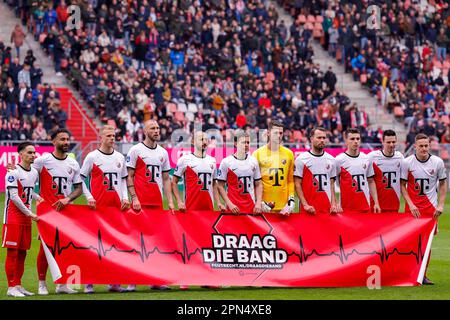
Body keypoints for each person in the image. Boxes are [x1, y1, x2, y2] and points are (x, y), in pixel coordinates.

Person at [80, 125, 130, 294]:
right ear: (100, 138)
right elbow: (80, 179)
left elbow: (123, 179)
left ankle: (114, 282)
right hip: (97, 209)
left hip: (116, 208)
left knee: (115, 246)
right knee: (94, 246)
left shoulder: (119, 157)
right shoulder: (92, 157)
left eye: (114, 135)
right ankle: (89, 283)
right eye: (108, 135)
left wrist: (125, 197)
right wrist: (89, 197)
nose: (112, 138)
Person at [32, 128, 83, 295]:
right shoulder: (43, 161)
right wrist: (36, 197)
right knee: (45, 248)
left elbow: (78, 189)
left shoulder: (73, 163)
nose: (66, 142)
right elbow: (25, 177)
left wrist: (67, 199)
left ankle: (63, 285)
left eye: (67, 139)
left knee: (66, 248)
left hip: (66, 212)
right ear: (53, 141)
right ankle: (42, 284)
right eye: (62, 139)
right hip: (47, 212)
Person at [126, 119, 174, 292]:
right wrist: (134, 198)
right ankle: (132, 280)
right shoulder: (135, 150)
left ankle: (155, 279)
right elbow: (129, 175)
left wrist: (169, 201)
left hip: (156, 203)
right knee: (137, 242)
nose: (156, 130)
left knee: (156, 244)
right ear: (145, 131)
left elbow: (166, 178)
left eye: (158, 128)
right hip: (141, 204)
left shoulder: (162, 152)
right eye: (152, 128)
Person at [172, 130, 217, 290]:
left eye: (206, 139)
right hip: (190, 208)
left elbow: (214, 185)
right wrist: (179, 201)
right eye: (201, 139)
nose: (204, 141)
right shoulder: (185, 160)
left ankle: (207, 278)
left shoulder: (212, 160)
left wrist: (218, 203)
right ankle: (186, 278)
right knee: (189, 245)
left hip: (208, 209)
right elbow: (173, 182)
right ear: (193, 142)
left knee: (207, 244)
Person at [400, 133, 447, 285]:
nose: (424, 148)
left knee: (426, 244)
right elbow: (402, 185)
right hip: (412, 210)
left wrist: (440, 204)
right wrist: (411, 204)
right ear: (415, 146)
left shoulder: (437, 162)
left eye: (426, 145)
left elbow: (442, 184)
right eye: (421, 146)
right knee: (411, 243)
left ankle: (422, 275)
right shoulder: (407, 163)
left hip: (430, 210)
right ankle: (408, 273)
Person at [2, 142, 41, 297]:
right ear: (21, 154)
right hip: (13, 217)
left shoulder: (34, 172)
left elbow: (28, 193)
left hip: (25, 217)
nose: (33, 155)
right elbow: (14, 197)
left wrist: (40, 199)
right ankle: (11, 287)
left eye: (34, 153)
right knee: (13, 252)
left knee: (23, 253)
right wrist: (30, 213)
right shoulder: (12, 172)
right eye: (29, 152)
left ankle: (18, 285)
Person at [252, 120, 295, 215]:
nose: (279, 136)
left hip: (284, 208)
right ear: (268, 133)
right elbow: (254, 182)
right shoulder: (257, 154)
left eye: (281, 133)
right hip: (264, 207)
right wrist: (259, 202)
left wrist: (291, 198)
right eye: (276, 133)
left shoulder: (289, 154)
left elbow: (290, 180)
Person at [294, 127, 341, 215]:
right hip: (308, 210)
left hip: (327, 210)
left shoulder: (331, 160)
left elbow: (331, 185)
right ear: (311, 139)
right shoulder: (301, 159)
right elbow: (297, 184)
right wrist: (305, 205)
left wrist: (334, 203)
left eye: (324, 138)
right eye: (319, 138)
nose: (322, 140)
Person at [215, 130, 263, 214]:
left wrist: (258, 203)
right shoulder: (226, 162)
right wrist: (229, 204)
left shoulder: (254, 161)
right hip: (233, 209)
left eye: (248, 142)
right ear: (236, 143)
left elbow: (258, 184)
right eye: (244, 142)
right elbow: (220, 186)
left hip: (251, 208)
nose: (246, 145)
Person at [335, 128, 381, 213]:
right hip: (346, 208)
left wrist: (376, 203)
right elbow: (332, 182)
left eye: (358, 139)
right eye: (352, 139)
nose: (355, 141)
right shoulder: (339, 160)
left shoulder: (366, 158)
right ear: (346, 141)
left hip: (365, 206)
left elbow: (371, 181)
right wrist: (335, 202)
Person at [367, 130, 404, 212]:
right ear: (382, 142)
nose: (391, 145)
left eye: (393, 142)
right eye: (388, 142)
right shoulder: (372, 157)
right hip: (376, 206)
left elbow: (403, 181)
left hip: (394, 205)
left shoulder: (400, 157)